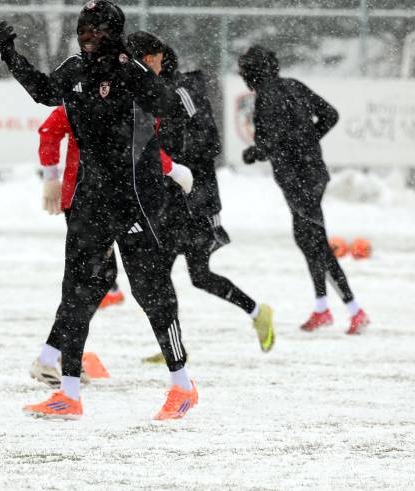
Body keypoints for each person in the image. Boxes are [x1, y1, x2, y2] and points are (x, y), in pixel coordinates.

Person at [0, 0, 199, 420]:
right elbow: (44, 92)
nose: (86, 35)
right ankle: (68, 394)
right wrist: (11, 56)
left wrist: (150, 138)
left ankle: (182, 384)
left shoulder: (129, 68)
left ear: (114, 31)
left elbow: (169, 106)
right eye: (82, 28)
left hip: (135, 195)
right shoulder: (76, 68)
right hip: (91, 195)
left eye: (94, 29)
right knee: (77, 288)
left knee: (149, 290)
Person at [130, 32, 275, 357]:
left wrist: (173, 155)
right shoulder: (153, 95)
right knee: (158, 275)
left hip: (196, 200)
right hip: (169, 199)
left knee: (199, 275)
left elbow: (210, 142)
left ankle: (256, 311)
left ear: (158, 61)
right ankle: (172, 343)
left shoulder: (183, 91)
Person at [238, 45, 369, 334]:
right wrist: (309, 140)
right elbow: (330, 115)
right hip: (314, 172)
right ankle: (322, 308)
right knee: (307, 239)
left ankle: (355, 310)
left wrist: (254, 153)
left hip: (296, 179)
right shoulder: (294, 86)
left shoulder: (265, 99)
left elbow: (272, 141)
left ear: (251, 73)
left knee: (317, 243)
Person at [39, 105, 124, 309]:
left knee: (88, 246)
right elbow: (49, 131)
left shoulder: (77, 99)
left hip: (88, 191)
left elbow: (49, 131)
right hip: (104, 189)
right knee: (97, 244)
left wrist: (50, 176)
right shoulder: (78, 101)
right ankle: (105, 287)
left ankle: (100, 289)